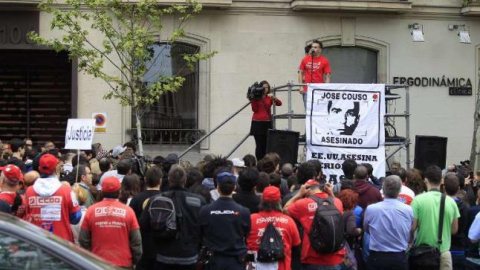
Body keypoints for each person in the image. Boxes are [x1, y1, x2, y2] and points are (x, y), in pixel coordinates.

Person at [141, 165, 206, 270]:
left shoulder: (155, 200)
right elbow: (204, 228)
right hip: (189, 256)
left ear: (169, 179)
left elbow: (143, 226)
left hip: (163, 255)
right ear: (185, 180)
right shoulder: (199, 201)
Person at [79, 176, 142, 268]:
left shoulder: (91, 211)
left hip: (97, 263)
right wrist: (134, 261)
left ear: (102, 192)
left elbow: (83, 240)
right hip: (123, 263)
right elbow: (136, 241)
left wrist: (90, 257)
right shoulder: (129, 212)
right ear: (119, 192)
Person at [284, 180, 345, 269]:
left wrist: (299, 195)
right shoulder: (337, 201)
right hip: (335, 256)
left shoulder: (303, 203)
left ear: (307, 190)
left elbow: (285, 210)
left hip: (312, 257)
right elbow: (339, 213)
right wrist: (331, 194)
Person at [410, 165, 460, 270]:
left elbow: (412, 227)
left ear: (425, 180)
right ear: (441, 180)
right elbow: (454, 229)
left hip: (422, 253)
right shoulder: (451, 202)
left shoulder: (418, 200)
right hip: (444, 253)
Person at [199, 171, 251, 270]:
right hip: (235, 261)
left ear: (217, 187)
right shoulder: (244, 212)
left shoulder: (205, 210)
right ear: (235, 187)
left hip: (213, 261)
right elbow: (246, 234)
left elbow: (200, 233)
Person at [25, 154, 82, 242]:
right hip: (62, 244)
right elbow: (75, 219)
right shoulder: (67, 191)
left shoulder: (29, 191)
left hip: (37, 243)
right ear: (56, 169)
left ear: (40, 169)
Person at [363, 175, 413, 270]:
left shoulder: (371, 209)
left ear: (383, 189)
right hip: (398, 257)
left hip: (378, 257)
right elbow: (409, 229)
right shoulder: (408, 209)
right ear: (399, 190)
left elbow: (367, 230)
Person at [246, 186, 301, 270]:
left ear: (262, 201)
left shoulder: (251, 220)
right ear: (279, 201)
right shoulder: (289, 221)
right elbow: (296, 247)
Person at [130, 166, 162, 270]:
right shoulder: (166, 199)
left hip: (141, 246)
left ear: (144, 180)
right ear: (160, 181)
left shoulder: (135, 199)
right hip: (160, 247)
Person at [249, 80, 282, 160]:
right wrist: (253, 99)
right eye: (264, 87)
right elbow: (255, 110)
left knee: (267, 145)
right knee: (259, 145)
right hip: (257, 123)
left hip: (267, 123)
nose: (265, 89)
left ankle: (266, 161)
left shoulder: (269, 97)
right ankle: (259, 162)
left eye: (267, 87)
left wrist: (273, 97)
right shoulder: (256, 97)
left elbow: (279, 103)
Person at [298, 40, 331, 109]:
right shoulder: (305, 59)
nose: (313, 49)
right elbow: (300, 73)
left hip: (319, 89)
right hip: (307, 89)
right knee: (308, 110)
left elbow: (327, 76)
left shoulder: (324, 61)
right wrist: (301, 86)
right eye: (312, 47)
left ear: (320, 50)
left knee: (319, 109)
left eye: (315, 47)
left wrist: (325, 88)